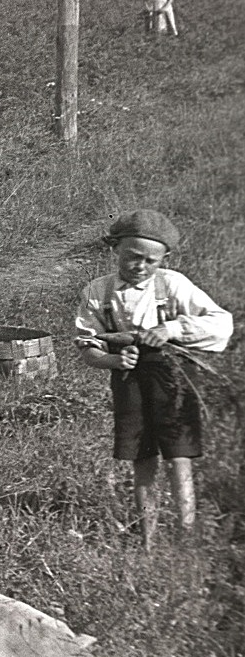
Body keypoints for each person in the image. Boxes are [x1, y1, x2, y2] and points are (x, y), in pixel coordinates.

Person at [73, 210, 232, 547]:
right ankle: (148, 538)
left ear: (165, 259)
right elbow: (87, 347)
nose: (141, 266)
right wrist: (113, 359)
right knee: (142, 459)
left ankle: (184, 537)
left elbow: (221, 323)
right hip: (128, 380)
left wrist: (172, 328)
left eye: (151, 260)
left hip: (172, 377)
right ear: (115, 248)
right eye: (132, 257)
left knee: (178, 458)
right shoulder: (97, 292)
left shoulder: (172, 285)